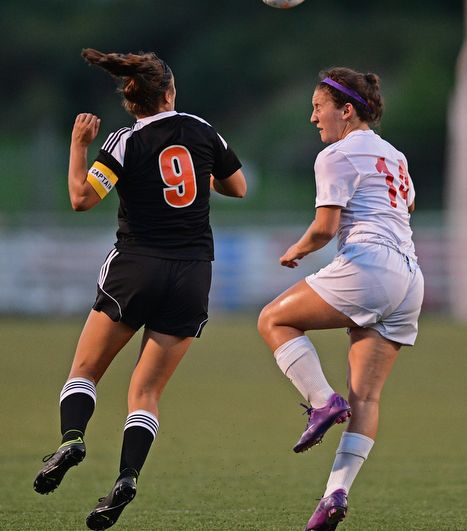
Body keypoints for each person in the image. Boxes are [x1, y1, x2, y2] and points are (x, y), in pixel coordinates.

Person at [33, 48, 247, 530]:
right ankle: (127, 476)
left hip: (136, 268)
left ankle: (72, 439)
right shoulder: (203, 129)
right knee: (145, 391)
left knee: (84, 371)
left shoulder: (123, 141)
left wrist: (77, 144)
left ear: (132, 104)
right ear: (170, 92)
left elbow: (80, 200)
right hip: (192, 273)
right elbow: (238, 188)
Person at [257, 67, 424, 531]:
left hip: (371, 266)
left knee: (273, 320)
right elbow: (405, 204)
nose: (313, 117)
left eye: (318, 107)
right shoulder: (396, 154)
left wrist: (298, 249)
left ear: (346, 110)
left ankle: (320, 402)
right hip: (410, 278)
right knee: (366, 397)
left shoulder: (336, 154)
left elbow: (326, 229)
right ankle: (335, 495)